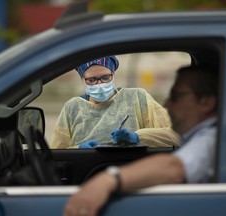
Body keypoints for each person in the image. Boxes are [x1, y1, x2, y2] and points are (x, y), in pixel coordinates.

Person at [63, 66, 218, 216]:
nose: (166, 104)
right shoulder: (72, 107)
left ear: (206, 103)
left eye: (176, 96)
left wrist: (107, 181)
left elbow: (174, 167)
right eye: (92, 79)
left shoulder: (211, 140)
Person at [50, 56, 179, 148]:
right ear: (83, 79)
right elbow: (56, 153)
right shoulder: (72, 108)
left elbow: (176, 135)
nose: (100, 84)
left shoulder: (137, 98)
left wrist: (138, 137)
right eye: (92, 80)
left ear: (113, 74)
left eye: (105, 77)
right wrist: (79, 149)